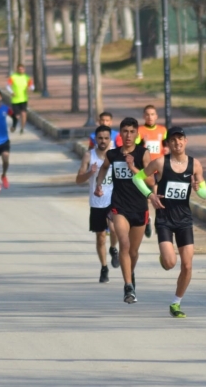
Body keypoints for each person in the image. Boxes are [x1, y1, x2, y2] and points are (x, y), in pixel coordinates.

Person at [132, 127, 206, 318]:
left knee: (188, 265)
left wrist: (198, 188)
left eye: (180, 139)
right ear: (169, 144)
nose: (177, 143)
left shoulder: (195, 165)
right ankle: (164, 258)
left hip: (184, 219)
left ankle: (176, 302)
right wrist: (150, 195)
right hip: (165, 219)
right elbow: (137, 178)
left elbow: (205, 194)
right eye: (173, 140)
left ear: (186, 141)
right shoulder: (161, 162)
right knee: (169, 263)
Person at [94, 117, 150, 304]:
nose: (128, 135)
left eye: (132, 132)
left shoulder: (143, 154)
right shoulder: (113, 154)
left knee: (133, 251)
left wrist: (134, 167)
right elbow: (103, 169)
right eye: (124, 131)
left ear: (136, 134)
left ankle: (130, 275)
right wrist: (99, 184)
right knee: (124, 245)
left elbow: (151, 181)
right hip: (119, 207)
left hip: (140, 207)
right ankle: (128, 286)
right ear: (120, 133)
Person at [77, 125, 120, 283]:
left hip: (114, 199)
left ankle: (114, 248)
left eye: (106, 138)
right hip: (97, 202)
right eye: (100, 138)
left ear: (111, 139)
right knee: (101, 237)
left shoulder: (117, 155)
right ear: (96, 139)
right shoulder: (89, 156)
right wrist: (90, 172)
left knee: (114, 228)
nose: (103, 141)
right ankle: (104, 267)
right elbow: (78, 180)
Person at [136, 104, 168, 239]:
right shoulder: (140, 130)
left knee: (157, 196)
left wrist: (167, 150)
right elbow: (136, 147)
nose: (150, 117)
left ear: (156, 116)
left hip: (159, 168)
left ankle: (159, 222)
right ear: (144, 116)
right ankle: (147, 220)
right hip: (147, 168)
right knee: (147, 197)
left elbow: (166, 145)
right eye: (147, 114)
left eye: (152, 114)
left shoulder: (162, 130)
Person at [6, 64, 34, 134]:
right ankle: (14, 125)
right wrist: (11, 92)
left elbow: (32, 86)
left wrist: (30, 88)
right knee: (17, 116)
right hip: (15, 100)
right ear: (17, 69)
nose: (21, 70)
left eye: (22, 69)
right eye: (19, 69)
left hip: (24, 99)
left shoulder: (27, 77)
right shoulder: (13, 77)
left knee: (24, 114)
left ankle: (22, 128)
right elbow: (8, 86)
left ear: (24, 69)